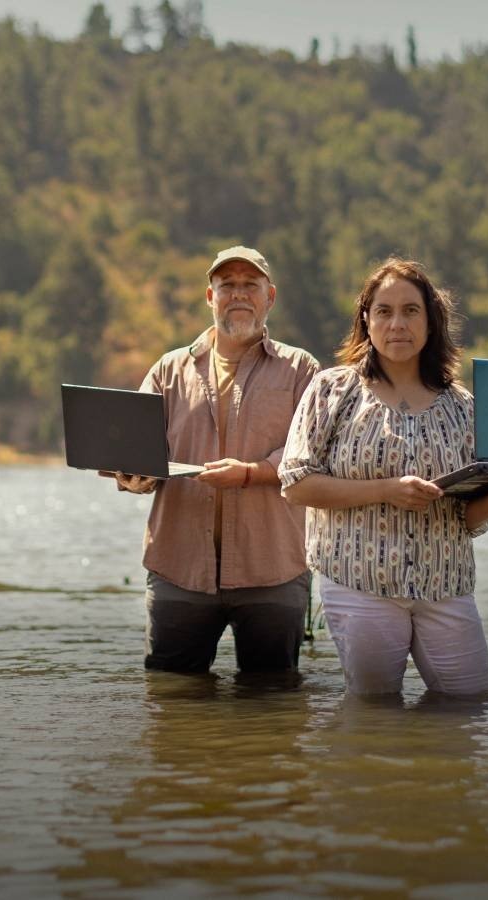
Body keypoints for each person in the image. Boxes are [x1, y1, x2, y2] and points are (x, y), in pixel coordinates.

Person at [278, 257, 488, 696]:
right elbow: (295, 485)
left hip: (446, 584)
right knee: (375, 714)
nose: (397, 324)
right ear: (366, 321)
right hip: (358, 580)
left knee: (470, 701)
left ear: (431, 322)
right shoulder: (332, 391)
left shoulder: (464, 408)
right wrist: (387, 490)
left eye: (410, 310)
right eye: (384, 311)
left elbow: (467, 519)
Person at [105, 246, 320, 676]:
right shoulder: (168, 370)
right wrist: (132, 476)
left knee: (272, 705)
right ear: (210, 296)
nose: (238, 294)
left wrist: (250, 474)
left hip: (273, 570)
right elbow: (134, 452)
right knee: (172, 702)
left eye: (249, 285)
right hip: (178, 570)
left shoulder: (301, 370)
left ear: (270, 296)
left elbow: (312, 453)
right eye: (227, 286)